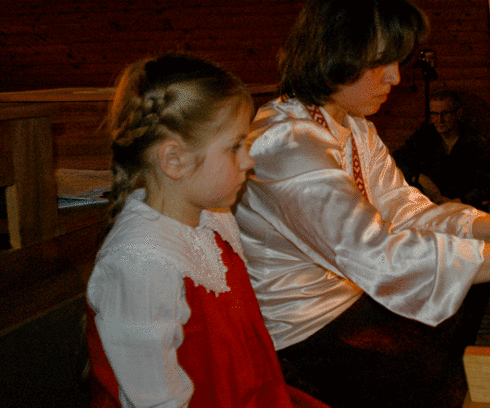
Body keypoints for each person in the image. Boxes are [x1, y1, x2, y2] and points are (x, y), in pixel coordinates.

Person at [236, 0, 490, 408]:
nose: (395, 77)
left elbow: (409, 211)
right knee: (453, 376)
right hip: (299, 336)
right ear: (336, 54)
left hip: (351, 305)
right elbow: (378, 255)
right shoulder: (286, 143)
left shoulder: (352, 126)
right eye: (381, 62)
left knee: (473, 315)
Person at [85, 53, 329, 408]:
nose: (248, 161)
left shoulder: (213, 219)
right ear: (173, 160)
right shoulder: (141, 263)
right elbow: (157, 400)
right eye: (234, 147)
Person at [392, 89, 490, 210]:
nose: (439, 120)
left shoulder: (476, 142)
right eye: (434, 114)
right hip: (428, 208)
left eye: (445, 113)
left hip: (464, 209)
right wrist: (419, 177)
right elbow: (396, 160)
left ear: (458, 113)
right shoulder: (424, 136)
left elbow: (487, 185)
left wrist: (459, 201)